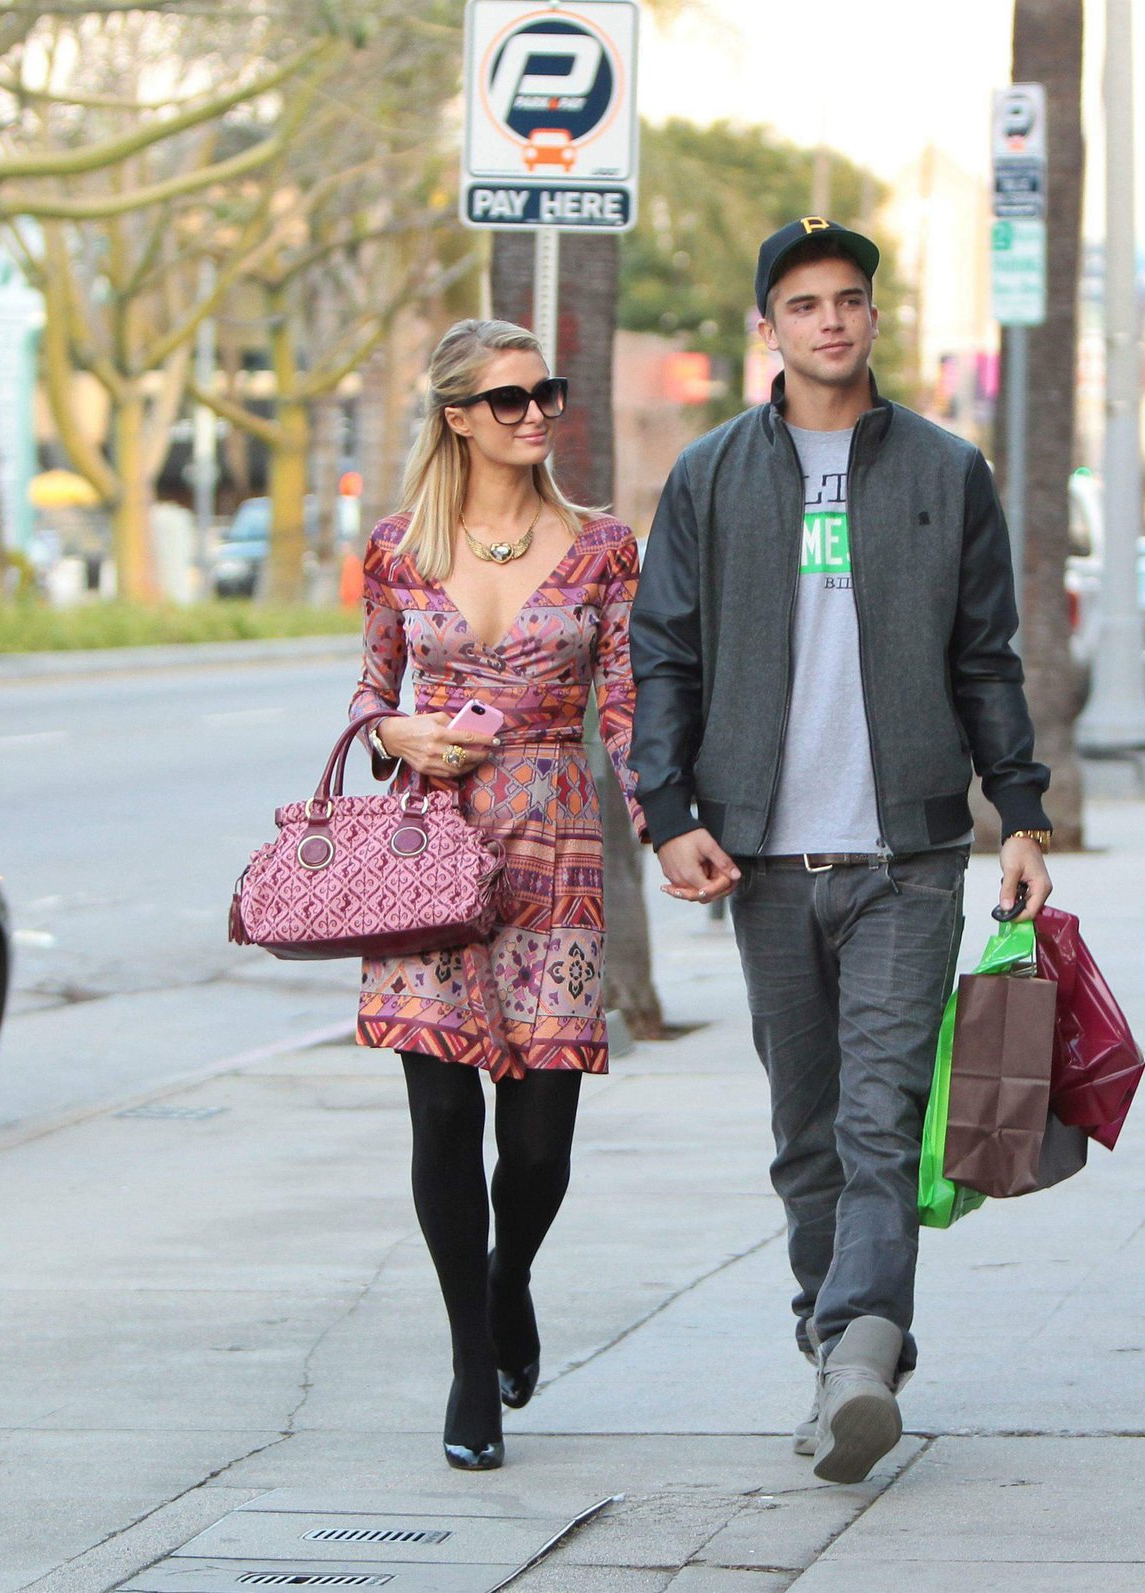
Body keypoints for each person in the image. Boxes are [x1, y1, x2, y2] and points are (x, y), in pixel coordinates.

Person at [629, 219, 1053, 1485]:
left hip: (908, 858)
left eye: (850, 300)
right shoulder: (709, 477)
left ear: (874, 317)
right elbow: (664, 657)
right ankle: (844, 1347)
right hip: (761, 863)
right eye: (804, 303)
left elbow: (986, 658)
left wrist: (1018, 812)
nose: (830, 321)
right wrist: (669, 813)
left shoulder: (944, 468)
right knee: (804, 1131)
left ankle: (861, 1361)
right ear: (768, 325)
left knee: (881, 1124)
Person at [349, 318, 645, 1471]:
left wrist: (673, 829)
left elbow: (622, 706)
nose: (536, 416)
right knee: (439, 1118)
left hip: (557, 846)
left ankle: (508, 1274)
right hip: (428, 847)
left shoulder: (603, 546)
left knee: (537, 1140)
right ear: (457, 416)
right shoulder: (396, 548)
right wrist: (396, 730)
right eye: (511, 400)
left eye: (546, 396)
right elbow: (373, 687)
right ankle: (472, 1364)